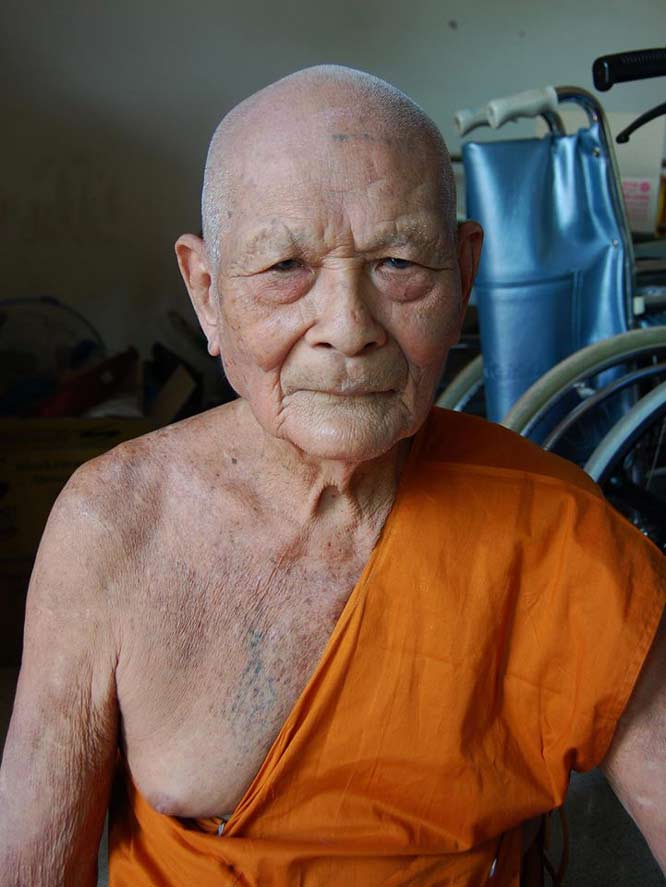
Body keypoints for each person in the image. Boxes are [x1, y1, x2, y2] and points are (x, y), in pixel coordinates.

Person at [0, 65, 664, 887]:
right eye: (285, 266)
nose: (348, 328)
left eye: (399, 262)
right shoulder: (114, 526)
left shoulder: (563, 538)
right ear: (206, 293)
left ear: (464, 273)